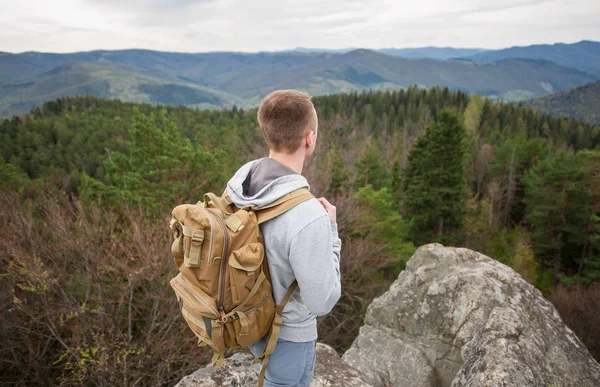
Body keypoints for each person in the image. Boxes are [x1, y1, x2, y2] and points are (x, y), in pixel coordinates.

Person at [225, 89, 342, 386]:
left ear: (267, 133)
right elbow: (322, 301)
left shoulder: (239, 183)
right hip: (287, 337)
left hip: (246, 318)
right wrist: (331, 233)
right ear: (309, 138)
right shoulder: (308, 216)